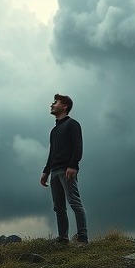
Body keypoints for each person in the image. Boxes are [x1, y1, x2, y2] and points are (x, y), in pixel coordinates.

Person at [40, 94, 88, 244]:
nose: (52, 104)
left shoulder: (73, 124)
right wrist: (46, 171)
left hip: (67, 170)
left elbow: (78, 147)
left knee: (74, 202)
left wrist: (73, 165)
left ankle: (82, 237)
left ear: (64, 106)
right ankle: (63, 238)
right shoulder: (54, 131)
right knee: (58, 207)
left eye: (55, 102)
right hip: (54, 172)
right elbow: (52, 153)